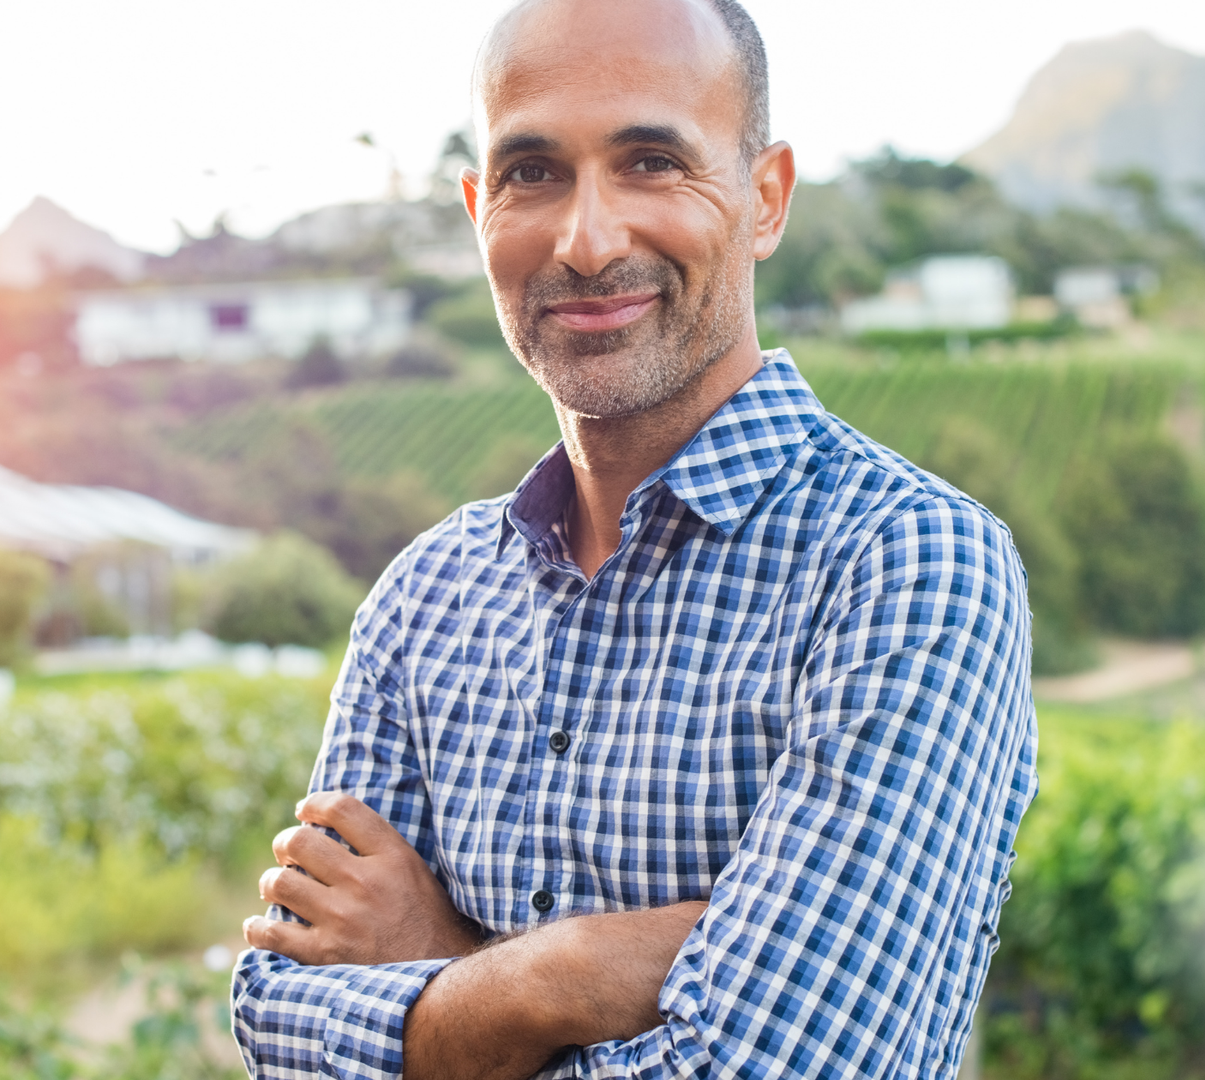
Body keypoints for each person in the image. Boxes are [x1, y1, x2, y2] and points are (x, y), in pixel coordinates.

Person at [231, 0, 1038, 1076]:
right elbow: (280, 1030)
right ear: (478, 210)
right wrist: (551, 979)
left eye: (653, 161)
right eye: (532, 173)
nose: (587, 238)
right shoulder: (423, 597)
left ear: (764, 198)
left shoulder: (907, 566)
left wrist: (445, 962)